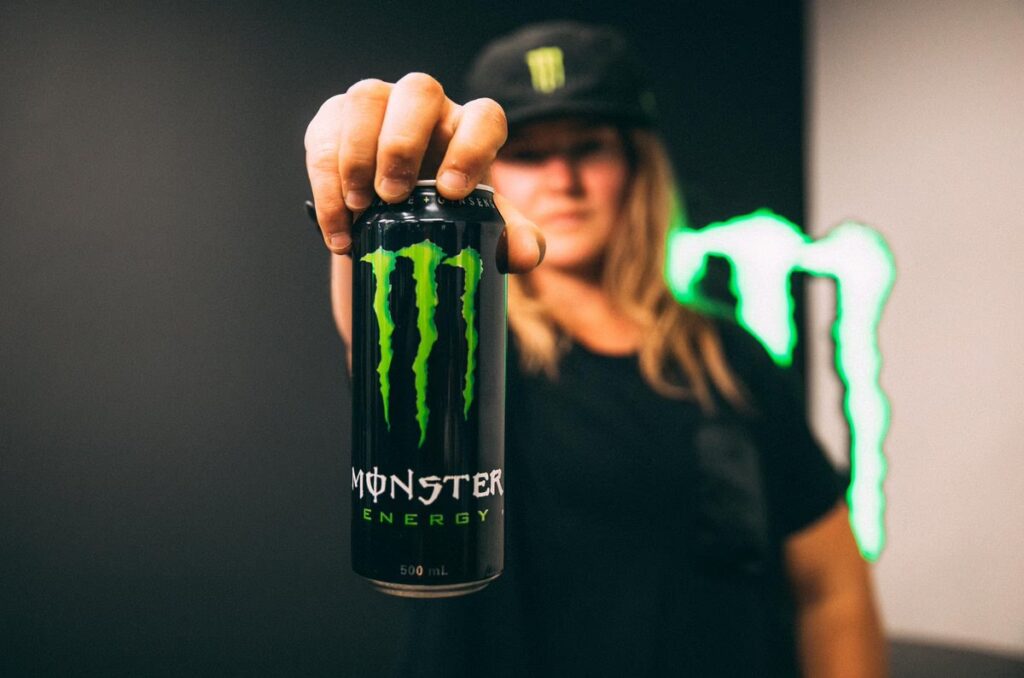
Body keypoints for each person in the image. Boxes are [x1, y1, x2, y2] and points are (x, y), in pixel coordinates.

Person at [304, 21, 886, 677]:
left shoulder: (732, 358)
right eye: (529, 154)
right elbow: (381, 309)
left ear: (636, 168)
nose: (563, 179)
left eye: (589, 147)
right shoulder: (460, 337)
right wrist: (371, 179)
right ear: (484, 171)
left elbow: (832, 589)